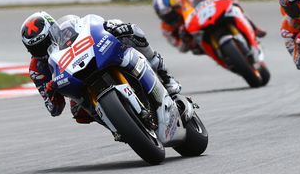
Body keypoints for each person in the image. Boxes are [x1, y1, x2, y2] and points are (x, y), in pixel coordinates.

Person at [20, 11, 181, 122]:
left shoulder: (69, 29)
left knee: (131, 31)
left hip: (97, 58)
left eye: (45, 42)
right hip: (77, 84)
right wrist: (51, 92)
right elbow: (53, 109)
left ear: (53, 30)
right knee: (79, 113)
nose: (42, 51)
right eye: (36, 49)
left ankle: (166, 78)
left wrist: (114, 28)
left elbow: (94, 26)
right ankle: (120, 126)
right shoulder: (37, 70)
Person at [152, 0, 266, 54]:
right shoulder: (166, 28)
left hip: (207, 17)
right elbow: (180, 48)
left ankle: (254, 28)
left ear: (177, 5)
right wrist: (185, 41)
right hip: (197, 40)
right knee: (196, 51)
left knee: (233, 4)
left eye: (172, 13)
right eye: (165, 17)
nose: (171, 18)